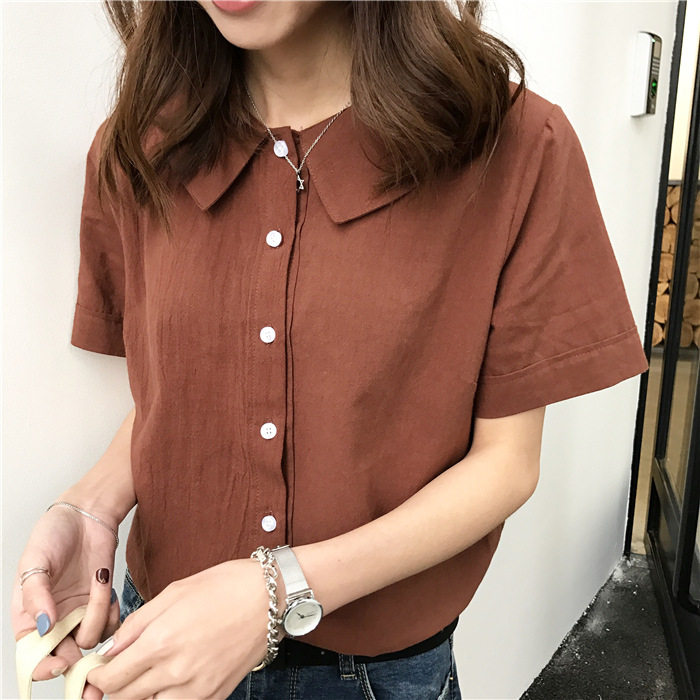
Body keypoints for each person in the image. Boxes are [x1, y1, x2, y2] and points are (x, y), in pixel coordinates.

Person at [11, 1, 650, 699]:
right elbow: (175, 391)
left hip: (377, 676)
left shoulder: (513, 145)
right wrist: (92, 507)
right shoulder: (138, 145)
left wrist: (274, 590)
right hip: (158, 646)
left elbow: (506, 464)